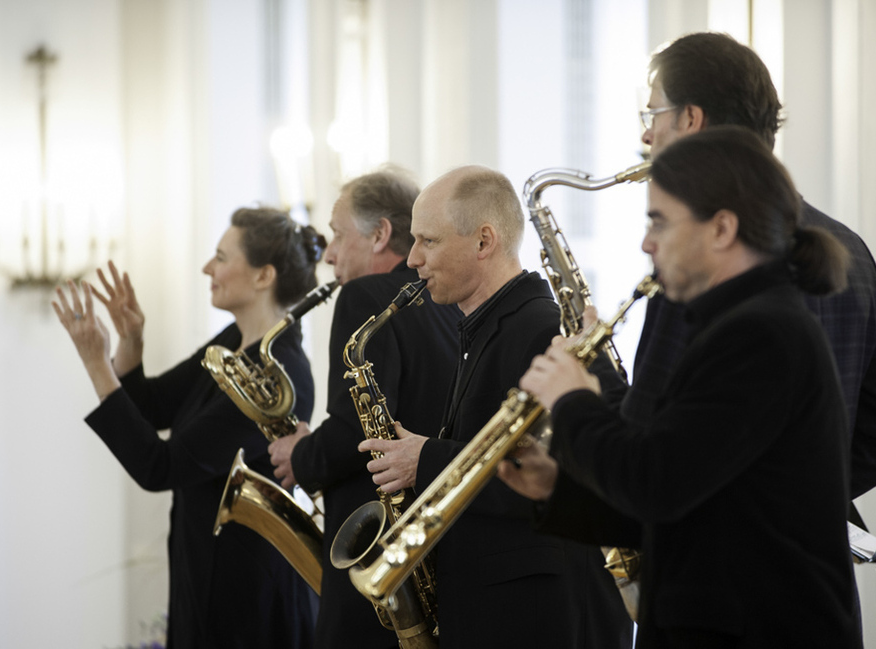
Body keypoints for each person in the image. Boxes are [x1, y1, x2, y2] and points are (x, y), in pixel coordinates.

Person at [499, 126, 863, 647]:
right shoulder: (734, 325)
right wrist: (556, 485)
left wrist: (573, 398)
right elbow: (685, 497)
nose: (647, 242)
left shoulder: (760, 333)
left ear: (721, 229)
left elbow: (656, 479)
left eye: (659, 221)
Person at [625, 31, 876, 503]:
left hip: (708, 566)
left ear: (690, 119)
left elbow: (646, 436)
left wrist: (587, 387)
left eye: (653, 113)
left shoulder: (695, 253)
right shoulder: (852, 250)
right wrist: (800, 501)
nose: (646, 133)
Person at [360, 165, 631, 649]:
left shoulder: (541, 328)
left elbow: (564, 475)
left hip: (539, 618)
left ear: (484, 241)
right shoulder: (482, 329)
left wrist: (424, 459)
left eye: (429, 241)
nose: (414, 259)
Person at [52, 208, 324, 649]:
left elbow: (159, 467)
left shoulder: (278, 376)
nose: (207, 268)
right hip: (204, 564)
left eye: (220, 257)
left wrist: (95, 363)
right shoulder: (232, 344)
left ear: (263, 276)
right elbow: (152, 408)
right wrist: (131, 341)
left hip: (246, 584)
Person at [267, 169, 460, 649]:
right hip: (436, 558)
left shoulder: (364, 297)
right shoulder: (449, 302)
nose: (329, 253)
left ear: (380, 235)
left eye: (337, 234)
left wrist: (302, 455)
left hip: (375, 559)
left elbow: (358, 431)